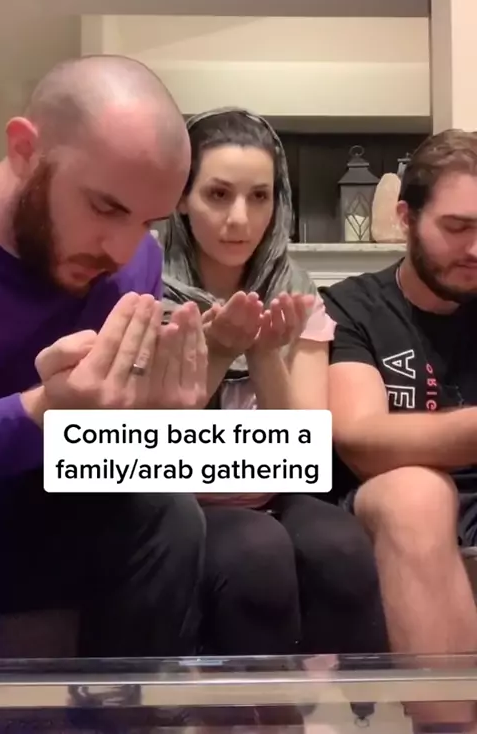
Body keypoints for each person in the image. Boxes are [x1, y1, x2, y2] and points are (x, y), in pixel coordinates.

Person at [0, 54, 207, 663]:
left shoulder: (136, 263)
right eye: (105, 208)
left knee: (177, 518)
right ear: (24, 150)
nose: (121, 249)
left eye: (148, 222)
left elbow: (107, 463)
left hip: (51, 516)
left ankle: (125, 708)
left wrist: (154, 430)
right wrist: (40, 411)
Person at [162, 107, 388, 664]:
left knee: (341, 547)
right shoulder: (146, 289)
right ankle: (261, 708)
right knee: (254, 554)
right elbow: (153, 448)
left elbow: (303, 450)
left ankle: (360, 704)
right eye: (218, 195)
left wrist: (264, 352)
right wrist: (219, 351)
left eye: (259, 197)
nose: (240, 218)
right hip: (177, 502)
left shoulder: (294, 292)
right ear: (181, 198)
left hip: (275, 491)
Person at [319, 129, 477, 731]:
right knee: (416, 490)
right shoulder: (352, 307)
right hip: (389, 500)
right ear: (406, 218)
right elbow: (361, 440)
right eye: (457, 227)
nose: (475, 248)